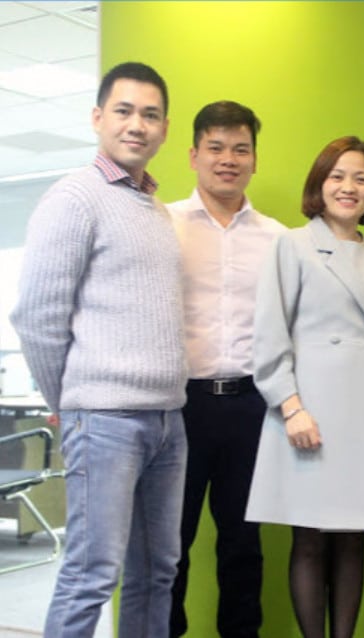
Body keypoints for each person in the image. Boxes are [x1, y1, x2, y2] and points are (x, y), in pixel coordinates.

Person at [9, 62, 187, 638]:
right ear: (97, 118)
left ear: (164, 129)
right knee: (91, 575)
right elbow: (36, 317)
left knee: (157, 573)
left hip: (168, 420)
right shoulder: (74, 198)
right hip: (105, 419)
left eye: (151, 115)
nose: (138, 124)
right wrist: (71, 403)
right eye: (124, 111)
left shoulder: (154, 208)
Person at [245, 136, 364, 638]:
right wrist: (291, 407)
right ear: (320, 184)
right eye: (337, 176)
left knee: (354, 537)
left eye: (361, 178)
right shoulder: (291, 245)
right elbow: (270, 334)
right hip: (309, 407)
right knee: (311, 537)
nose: (348, 187)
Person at [168, 101, 285, 638]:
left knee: (243, 544)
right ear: (194, 155)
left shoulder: (278, 238)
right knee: (170, 544)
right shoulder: (162, 224)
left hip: (250, 406)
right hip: (178, 408)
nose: (228, 159)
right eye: (215, 147)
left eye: (240, 149)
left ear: (254, 160)